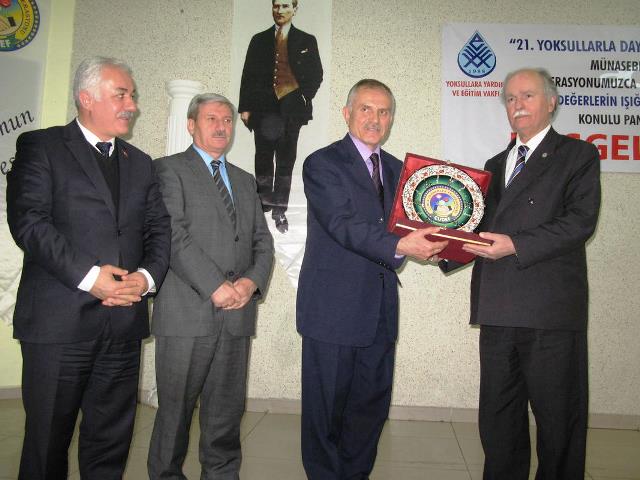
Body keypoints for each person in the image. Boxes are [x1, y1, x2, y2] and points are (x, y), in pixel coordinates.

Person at [6, 56, 171, 479]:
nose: (132, 105)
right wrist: (91, 277)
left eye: (132, 96)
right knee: (46, 444)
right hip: (58, 325)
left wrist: (145, 278)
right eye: (122, 94)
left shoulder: (140, 162)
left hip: (123, 324)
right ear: (86, 97)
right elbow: (29, 223)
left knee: (110, 445)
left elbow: (158, 230)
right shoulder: (41, 146)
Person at [446, 67, 601, 479]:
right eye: (511, 99)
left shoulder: (578, 155)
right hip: (498, 309)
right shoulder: (494, 164)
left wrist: (515, 244)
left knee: (558, 422)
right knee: (499, 422)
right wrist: (443, 245)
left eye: (527, 96)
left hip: (550, 313)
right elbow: (478, 229)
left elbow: (579, 223)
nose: (518, 105)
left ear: (551, 102)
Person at [296, 79, 448, 479]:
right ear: (347, 113)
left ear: (391, 119)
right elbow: (342, 223)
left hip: (379, 314)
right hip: (332, 313)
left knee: (368, 412)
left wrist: (450, 245)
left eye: (383, 112)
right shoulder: (322, 164)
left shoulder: (401, 171)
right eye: (365, 109)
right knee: (325, 415)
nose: (374, 119)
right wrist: (402, 246)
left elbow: (421, 225)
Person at [147, 93, 274, 479]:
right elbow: (173, 234)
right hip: (186, 316)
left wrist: (250, 283)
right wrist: (216, 285)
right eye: (211, 119)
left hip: (236, 316)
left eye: (227, 120)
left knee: (225, 418)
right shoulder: (168, 170)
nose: (221, 127)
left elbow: (262, 242)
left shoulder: (244, 180)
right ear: (191, 125)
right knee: (174, 417)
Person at [239, 0, 323, 233]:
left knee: (285, 162)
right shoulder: (258, 40)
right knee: (263, 159)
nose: (280, 11)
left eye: (285, 6)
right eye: (276, 6)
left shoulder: (307, 40)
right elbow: (248, 75)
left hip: (291, 111)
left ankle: (279, 211)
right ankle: (263, 205)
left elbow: (316, 73)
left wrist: (304, 96)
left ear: (295, 9)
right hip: (263, 110)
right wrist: (245, 107)